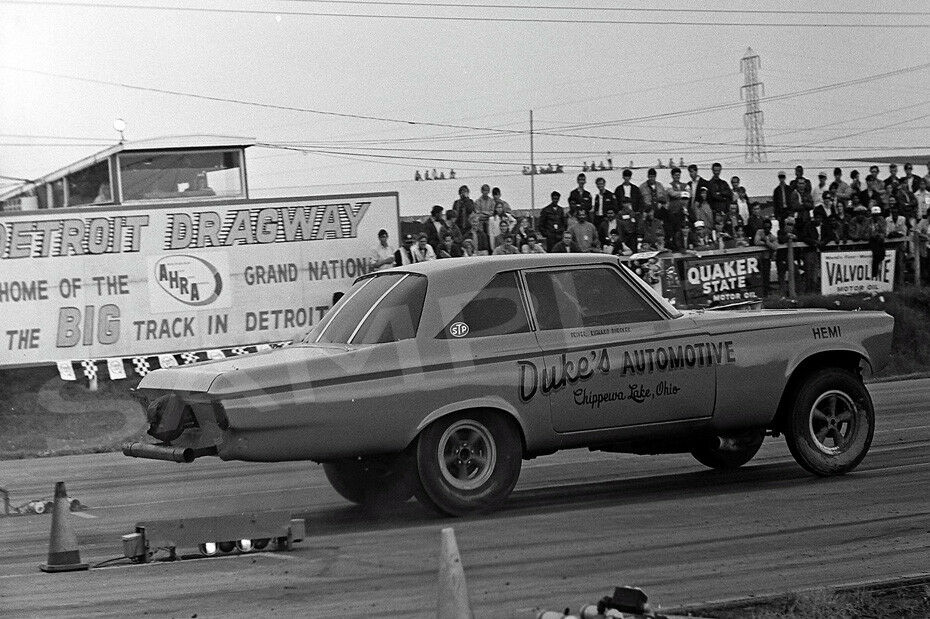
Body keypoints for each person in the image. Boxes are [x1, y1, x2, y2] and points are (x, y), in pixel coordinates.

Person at [666, 166, 690, 249]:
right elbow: (671, 193)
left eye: (679, 175)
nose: (677, 176)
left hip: (683, 212)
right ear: (672, 176)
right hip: (673, 213)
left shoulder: (685, 185)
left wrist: (679, 193)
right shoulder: (669, 185)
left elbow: (689, 193)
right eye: (676, 175)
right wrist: (683, 193)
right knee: (675, 232)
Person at [754, 218, 778, 295]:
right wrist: (767, 243)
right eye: (765, 227)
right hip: (758, 258)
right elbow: (756, 241)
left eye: (768, 227)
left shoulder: (772, 237)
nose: (767, 229)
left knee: (766, 276)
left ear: (770, 227)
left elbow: (775, 247)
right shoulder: (759, 232)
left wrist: (766, 241)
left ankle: (766, 293)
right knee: (758, 277)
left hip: (766, 259)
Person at [868, 205, 887, 278]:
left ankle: (875, 273)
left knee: (880, 256)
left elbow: (884, 231)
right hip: (871, 240)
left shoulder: (882, 220)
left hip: (880, 241)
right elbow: (868, 232)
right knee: (876, 255)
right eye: (875, 215)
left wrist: (879, 235)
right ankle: (874, 274)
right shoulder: (869, 220)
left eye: (877, 215)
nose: (876, 216)